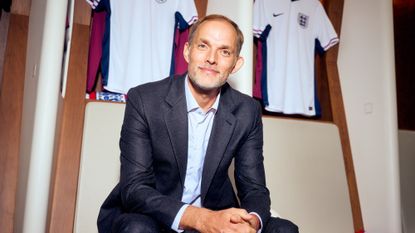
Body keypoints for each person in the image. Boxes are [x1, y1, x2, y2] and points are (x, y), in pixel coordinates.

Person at [97, 14, 299, 233]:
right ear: (187, 51)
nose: (211, 58)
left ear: (236, 63)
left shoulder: (247, 111)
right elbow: (135, 189)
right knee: (137, 229)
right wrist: (201, 219)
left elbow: (254, 188)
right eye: (203, 46)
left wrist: (250, 222)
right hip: (154, 217)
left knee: (284, 230)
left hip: (217, 215)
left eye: (224, 51)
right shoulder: (145, 100)